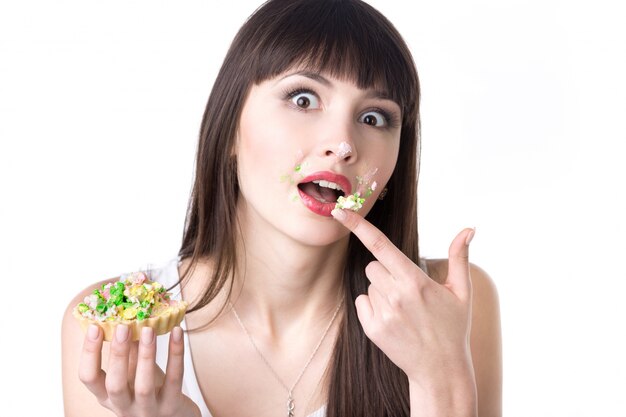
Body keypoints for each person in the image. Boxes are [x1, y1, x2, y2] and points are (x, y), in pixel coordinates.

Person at [62, 0, 502, 416]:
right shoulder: (111, 326)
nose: (343, 145)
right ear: (229, 128)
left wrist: (442, 383)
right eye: (304, 99)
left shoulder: (450, 304)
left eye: (373, 118)